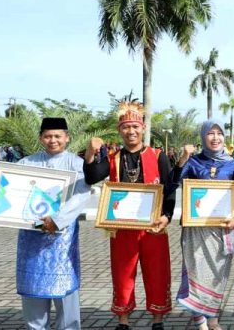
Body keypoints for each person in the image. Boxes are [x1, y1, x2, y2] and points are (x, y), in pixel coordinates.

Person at [0, 117, 90, 330]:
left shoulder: (77, 164)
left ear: (67, 137)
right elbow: (5, 186)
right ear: (40, 138)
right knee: (33, 292)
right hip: (31, 238)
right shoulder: (27, 162)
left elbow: (82, 195)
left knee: (65, 292)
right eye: (48, 136)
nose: (53, 140)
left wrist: (57, 221)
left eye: (57, 136)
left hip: (61, 240)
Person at [83, 99, 176, 330]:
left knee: (157, 272)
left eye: (135, 126)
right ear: (120, 130)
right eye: (126, 127)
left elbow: (169, 187)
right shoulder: (113, 158)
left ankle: (157, 319)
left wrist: (166, 216)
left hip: (153, 226)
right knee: (123, 273)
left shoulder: (157, 156)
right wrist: (90, 152)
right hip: (122, 228)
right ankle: (123, 320)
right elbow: (92, 176)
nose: (131, 131)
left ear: (143, 128)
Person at [170, 120, 234, 330]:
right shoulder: (193, 162)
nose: (215, 137)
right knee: (195, 272)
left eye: (219, 133)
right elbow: (171, 183)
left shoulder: (232, 164)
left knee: (218, 276)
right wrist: (183, 158)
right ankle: (199, 320)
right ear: (203, 137)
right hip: (196, 230)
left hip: (222, 230)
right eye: (210, 133)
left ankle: (213, 319)